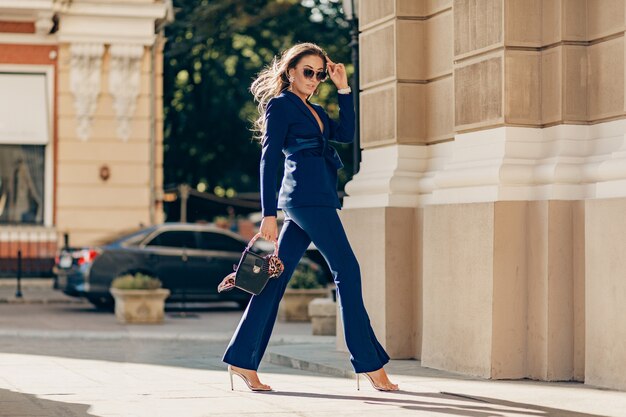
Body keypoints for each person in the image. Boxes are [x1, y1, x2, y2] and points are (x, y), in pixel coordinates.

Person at [222, 42, 398, 392]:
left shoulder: (314, 109)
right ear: (290, 72)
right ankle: (369, 364)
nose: (315, 79)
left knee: (274, 279)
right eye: (308, 72)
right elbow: (268, 160)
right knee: (347, 271)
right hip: (305, 199)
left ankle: (242, 360)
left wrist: (343, 87)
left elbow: (346, 135)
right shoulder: (281, 105)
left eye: (319, 73)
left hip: (316, 198)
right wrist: (268, 214)